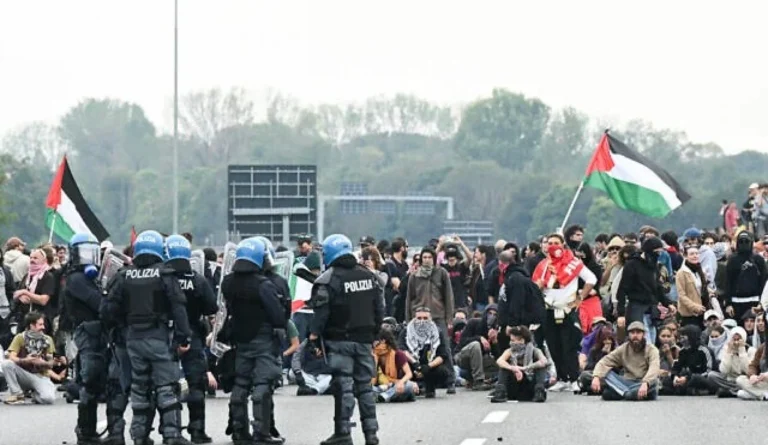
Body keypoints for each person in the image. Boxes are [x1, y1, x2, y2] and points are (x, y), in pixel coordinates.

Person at [101, 230, 194, 445]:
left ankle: (139, 435)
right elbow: (178, 308)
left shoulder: (123, 275)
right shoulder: (165, 274)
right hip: (158, 337)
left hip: (132, 339)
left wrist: (119, 329)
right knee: (166, 387)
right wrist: (183, 338)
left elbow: (107, 311)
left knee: (139, 388)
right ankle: (172, 434)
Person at [308, 234, 384, 445]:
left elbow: (321, 314)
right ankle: (371, 434)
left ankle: (343, 432)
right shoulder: (369, 276)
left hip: (339, 340)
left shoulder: (329, 278)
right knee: (365, 388)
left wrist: (314, 338)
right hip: (364, 340)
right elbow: (379, 308)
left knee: (343, 387)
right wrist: (374, 334)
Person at [221, 237, 288, 445]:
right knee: (262, 385)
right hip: (262, 339)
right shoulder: (264, 285)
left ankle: (239, 432)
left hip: (240, 339)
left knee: (240, 383)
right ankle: (262, 432)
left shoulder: (228, 282)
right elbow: (278, 317)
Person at [164, 235, 218, 444]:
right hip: (193, 333)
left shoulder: (162, 279)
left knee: (165, 385)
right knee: (196, 384)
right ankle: (197, 430)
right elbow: (212, 307)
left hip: (165, 334)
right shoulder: (197, 279)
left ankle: (171, 430)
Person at [533, 233, 596, 392]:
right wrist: (538, 286)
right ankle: (561, 378)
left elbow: (591, 279)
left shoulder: (572, 263)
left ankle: (574, 378)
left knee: (569, 345)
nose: (553, 245)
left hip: (568, 309)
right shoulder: (543, 265)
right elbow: (535, 286)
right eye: (550, 243)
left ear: (562, 245)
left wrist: (581, 297)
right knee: (554, 345)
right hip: (549, 310)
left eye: (556, 242)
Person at [63, 233, 108, 444]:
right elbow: (97, 302)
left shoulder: (94, 277)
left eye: (93, 253)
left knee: (97, 382)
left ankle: (89, 430)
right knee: (89, 382)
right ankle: (85, 432)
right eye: (85, 253)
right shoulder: (76, 278)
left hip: (98, 332)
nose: (90, 258)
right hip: (87, 331)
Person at [590, 321, 660, 401]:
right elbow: (605, 362)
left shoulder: (652, 349)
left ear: (644, 335)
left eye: (638, 333)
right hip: (626, 382)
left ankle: (622, 392)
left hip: (644, 383)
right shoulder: (623, 348)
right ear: (629, 335)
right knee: (605, 376)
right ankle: (625, 393)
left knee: (653, 382)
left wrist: (646, 383)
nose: (635, 335)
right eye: (632, 333)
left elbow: (654, 368)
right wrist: (596, 377)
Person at [1, 311, 56, 405]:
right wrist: (25, 360)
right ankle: (17, 394)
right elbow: (11, 357)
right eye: (40, 324)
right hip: (24, 374)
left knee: (48, 399)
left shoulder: (47, 339)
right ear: (31, 325)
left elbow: (51, 363)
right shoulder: (20, 337)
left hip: (40, 375)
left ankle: (35, 394)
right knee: (6, 364)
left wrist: (43, 363)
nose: (43, 327)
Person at [491, 326, 548, 403]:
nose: (510, 343)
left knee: (540, 366)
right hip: (514, 386)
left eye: (513, 340)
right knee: (504, 366)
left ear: (522, 340)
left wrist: (525, 368)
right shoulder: (509, 351)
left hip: (529, 385)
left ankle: (539, 392)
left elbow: (544, 361)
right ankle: (500, 393)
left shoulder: (535, 350)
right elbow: (499, 361)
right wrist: (513, 368)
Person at [372, 329, 418, 403]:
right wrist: (375, 361)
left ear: (383, 341)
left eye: (374, 341)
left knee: (409, 385)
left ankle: (383, 397)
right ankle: (385, 396)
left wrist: (400, 383)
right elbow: (372, 382)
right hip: (383, 387)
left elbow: (409, 374)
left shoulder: (398, 354)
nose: (372, 344)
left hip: (399, 386)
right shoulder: (374, 355)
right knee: (366, 388)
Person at [708, 327, 751, 397]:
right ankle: (735, 390)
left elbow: (747, 370)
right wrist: (729, 352)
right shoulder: (726, 349)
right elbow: (723, 370)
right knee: (711, 375)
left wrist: (742, 350)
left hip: (743, 379)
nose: (736, 342)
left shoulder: (750, 350)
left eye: (739, 339)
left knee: (743, 381)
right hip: (730, 379)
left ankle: (731, 391)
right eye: (734, 339)